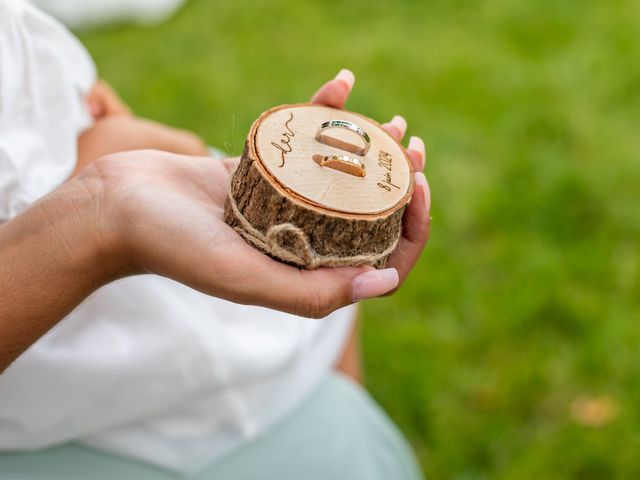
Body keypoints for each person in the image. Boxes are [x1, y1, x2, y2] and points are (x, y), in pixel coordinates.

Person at [0, 0, 430, 478]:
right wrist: (93, 213)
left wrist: (62, 89)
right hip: (64, 400)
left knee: (323, 318)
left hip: (121, 188)